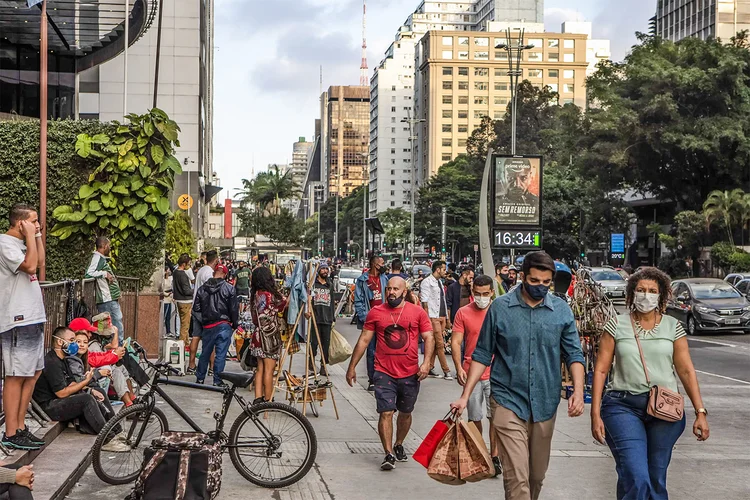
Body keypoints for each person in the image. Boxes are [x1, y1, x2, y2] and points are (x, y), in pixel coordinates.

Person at [450, 251, 586, 500]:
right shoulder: (501, 308)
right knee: (517, 477)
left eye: (546, 283)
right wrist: (465, 396)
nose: (540, 287)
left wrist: (578, 390)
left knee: (536, 477)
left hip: (545, 403)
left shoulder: (561, 311)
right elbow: (482, 354)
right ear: (522, 277)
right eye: (534, 281)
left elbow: (574, 355)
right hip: (507, 399)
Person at [591, 268, 709, 500]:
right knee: (637, 475)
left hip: (665, 409)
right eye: (641, 290)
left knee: (655, 479)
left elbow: (685, 370)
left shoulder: (672, 327)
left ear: (662, 295)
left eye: (652, 291)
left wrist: (700, 412)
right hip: (622, 406)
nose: (646, 295)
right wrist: (595, 413)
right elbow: (602, 369)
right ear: (632, 293)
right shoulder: (617, 324)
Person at [346, 277, 434, 471]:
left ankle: (399, 443)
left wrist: (426, 363)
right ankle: (388, 453)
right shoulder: (376, 313)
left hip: (410, 372)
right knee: (386, 412)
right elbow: (364, 340)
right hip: (383, 371)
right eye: (389, 289)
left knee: (405, 412)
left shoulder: (417, 312)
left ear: (404, 291)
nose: (391, 292)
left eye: (395, 289)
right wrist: (352, 367)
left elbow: (429, 337)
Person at [0, 204, 46, 450]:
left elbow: (39, 262)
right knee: (16, 375)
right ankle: (10, 431)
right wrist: (30, 235)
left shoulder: (24, 242)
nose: (38, 225)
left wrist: (35, 236)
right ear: (20, 224)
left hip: (32, 316)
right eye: (33, 221)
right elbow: (29, 267)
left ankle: (20, 427)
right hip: (17, 318)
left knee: (33, 372)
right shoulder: (5, 244)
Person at [32, 328, 125, 448]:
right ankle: (107, 439)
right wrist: (86, 382)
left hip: (58, 400)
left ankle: (117, 431)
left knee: (98, 391)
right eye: (72, 340)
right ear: (60, 342)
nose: (75, 344)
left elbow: (71, 383)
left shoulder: (63, 359)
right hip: (49, 406)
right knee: (86, 399)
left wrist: (89, 389)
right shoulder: (52, 362)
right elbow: (62, 393)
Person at [450, 274, 501, 476]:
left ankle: (494, 456)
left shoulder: (499, 312)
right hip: (471, 373)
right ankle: (480, 452)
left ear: (492, 293)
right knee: (475, 417)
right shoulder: (463, 313)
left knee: (495, 418)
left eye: (485, 294)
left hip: (496, 374)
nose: (481, 297)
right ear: (473, 293)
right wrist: (458, 367)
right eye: (478, 294)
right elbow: (455, 342)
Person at [192, 265, 239, 387]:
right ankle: (217, 380)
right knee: (221, 354)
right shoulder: (229, 288)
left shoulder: (202, 289)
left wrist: (204, 320)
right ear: (224, 274)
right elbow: (234, 309)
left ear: (214, 273)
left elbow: (196, 309)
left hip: (208, 325)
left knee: (205, 352)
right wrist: (235, 324)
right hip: (224, 324)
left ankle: (200, 377)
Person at [249, 266, 287, 403]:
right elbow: (284, 302)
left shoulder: (255, 295)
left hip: (257, 336)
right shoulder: (271, 296)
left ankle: (258, 398)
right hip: (269, 337)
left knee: (259, 369)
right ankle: (268, 400)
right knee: (269, 371)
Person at [354, 255, 389, 391]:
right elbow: (359, 301)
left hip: (384, 319)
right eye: (382, 263)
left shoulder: (384, 279)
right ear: (375, 265)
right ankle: (372, 379)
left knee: (384, 349)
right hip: (370, 319)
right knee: (371, 351)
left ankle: (382, 377)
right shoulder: (363, 280)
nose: (384, 265)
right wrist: (365, 318)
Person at [85, 237, 124, 342]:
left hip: (107, 299)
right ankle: (118, 349)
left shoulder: (99, 258)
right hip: (107, 298)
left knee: (104, 326)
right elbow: (88, 273)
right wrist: (104, 274)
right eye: (109, 246)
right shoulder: (97, 258)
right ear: (104, 246)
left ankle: (105, 347)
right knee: (116, 323)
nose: (110, 248)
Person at [420, 260, 453, 380]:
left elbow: (442, 300)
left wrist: (447, 319)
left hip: (441, 316)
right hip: (432, 316)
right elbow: (424, 302)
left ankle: (430, 367)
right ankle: (446, 370)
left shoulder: (439, 282)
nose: (445, 271)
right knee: (440, 344)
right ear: (438, 269)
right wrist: (427, 319)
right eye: (444, 269)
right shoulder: (426, 282)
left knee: (434, 343)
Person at [188, 249, 218, 374]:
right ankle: (211, 367)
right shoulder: (210, 273)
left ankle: (191, 364)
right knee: (211, 339)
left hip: (196, 307)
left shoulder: (200, 271)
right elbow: (210, 292)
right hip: (206, 310)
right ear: (215, 260)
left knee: (195, 336)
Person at [305, 263, 335, 377]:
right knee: (313, 343)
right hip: (315, 318)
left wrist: (333, 318)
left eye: (326, 269)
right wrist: (308, 312)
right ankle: (311, 362)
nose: (325, 271)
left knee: (325, 345)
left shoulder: (329, 285)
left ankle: (323, 365)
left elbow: (331, 302)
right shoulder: (313, 285)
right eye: (322, 269)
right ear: (318, 271)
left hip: (327, 318)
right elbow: (308, 300)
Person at [172, 254, 194, 345]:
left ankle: (186, 341)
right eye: (188, 264)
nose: (189, 266)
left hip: (178, 300)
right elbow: (186, 290)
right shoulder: (183, 275)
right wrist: (194, 290)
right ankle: (182, 343)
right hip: (186, 301)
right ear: (184, 264)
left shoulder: (175, 272)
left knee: (183, 321)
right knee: (185, 325)